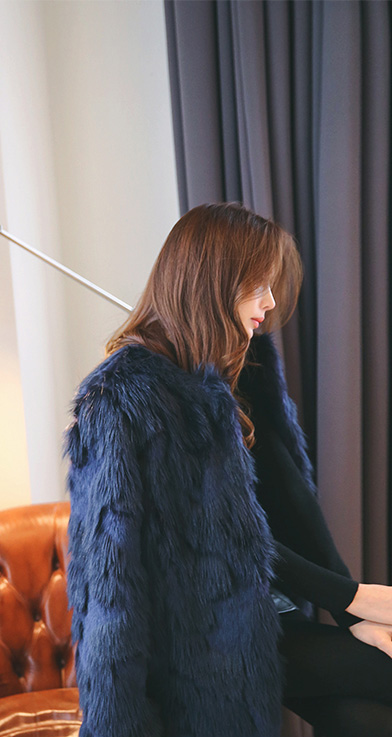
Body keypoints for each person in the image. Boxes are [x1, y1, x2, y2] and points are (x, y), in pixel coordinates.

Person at [63, 202, 392, 737]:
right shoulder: (126, 397)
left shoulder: (239, 367)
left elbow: (292, 505)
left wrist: (352, 613)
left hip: (263, 613)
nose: (271, 302)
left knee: (364, 719)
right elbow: (118, 578)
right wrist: (352, 598)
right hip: (196, 643)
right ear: (213, 278)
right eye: (258, 285)